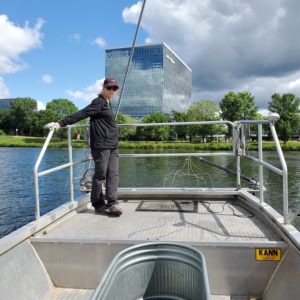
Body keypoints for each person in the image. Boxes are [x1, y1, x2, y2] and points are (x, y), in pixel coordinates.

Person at [48, 77, 122, 216]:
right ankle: (98, 204)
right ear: (103, 88)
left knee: (113, 174)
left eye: (114, 88)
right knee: (100, 175)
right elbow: (82, 113)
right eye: (109, 88)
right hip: (101, 146)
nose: (112, 90)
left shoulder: (107, 103)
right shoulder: (99, 102)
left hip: (112, 146)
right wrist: (61, 123)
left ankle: (112, 203)